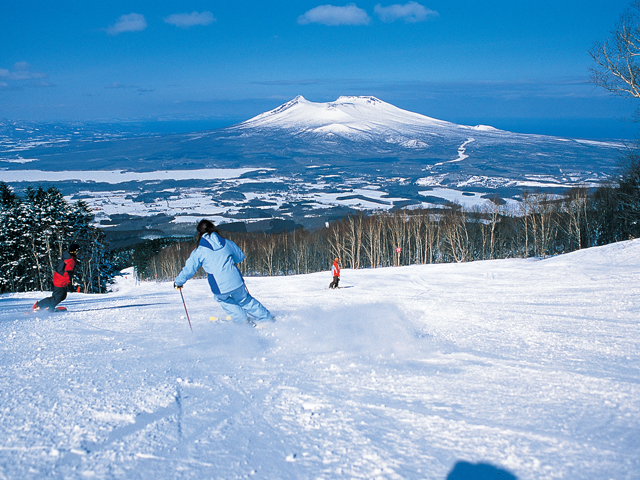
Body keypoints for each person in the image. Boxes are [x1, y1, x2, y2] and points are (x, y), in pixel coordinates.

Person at [174, 219, 274, 326]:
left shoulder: (199, 251)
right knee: (245, 300)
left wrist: (178, 282)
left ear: (199, 233)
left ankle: (244, 322)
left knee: (223, 299)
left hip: (219, 286)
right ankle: (267, 319)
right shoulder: (226, 243)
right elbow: (240, 257)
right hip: (236, 280)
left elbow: (189, 269)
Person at [33, 243, 79, 312]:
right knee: (57, 297)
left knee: (62, 296)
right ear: (75, 251)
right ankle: (39, 305)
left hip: (59, 278)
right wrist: (69, 284)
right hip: (61, 280)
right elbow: (67, 273)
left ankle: (50, 307)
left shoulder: (67, 255)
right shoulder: (70, 260)